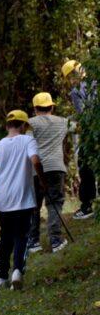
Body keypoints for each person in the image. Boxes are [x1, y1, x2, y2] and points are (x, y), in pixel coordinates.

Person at [0, 110, 46, 290]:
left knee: (5, 238)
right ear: (23, 125)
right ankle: (17, 271)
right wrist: (43, 181)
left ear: (7, 125)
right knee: (22, 237)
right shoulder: (28, 140)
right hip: (24, 200)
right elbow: (36, 161)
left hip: (4, 202)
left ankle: (2, 276)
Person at [27, 93, 68, 253]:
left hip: (35, 170)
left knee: (33, 206)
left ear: (35, 108)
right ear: (52, 106)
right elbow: (77, 127)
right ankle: (56, 241)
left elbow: (27, 144)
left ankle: (33, 241)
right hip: (56, 168)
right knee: (55, 203)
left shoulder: (30, 124)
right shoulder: (63, 122)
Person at [63, 60, 97, 219]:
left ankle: (86, 206)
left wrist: (70, 122)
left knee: (85, 167)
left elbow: (84, 115)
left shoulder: (76, 91)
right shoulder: (95, 82)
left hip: (91, 134)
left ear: (72, 75)